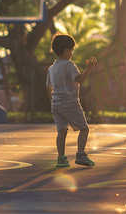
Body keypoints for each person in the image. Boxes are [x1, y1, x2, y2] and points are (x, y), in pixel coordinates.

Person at [46, 33, 97, 167]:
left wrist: (53, 101)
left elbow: (48, 87)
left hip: (56, 104)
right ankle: (80, 154)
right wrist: (89, 69)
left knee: (61, 131)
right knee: (84, 129)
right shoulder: (69, 65)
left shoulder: (51, 68)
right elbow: (79, 79)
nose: (72, 53)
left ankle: (61, 158)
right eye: (71, 50)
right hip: (70, 102)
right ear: (66, 51)